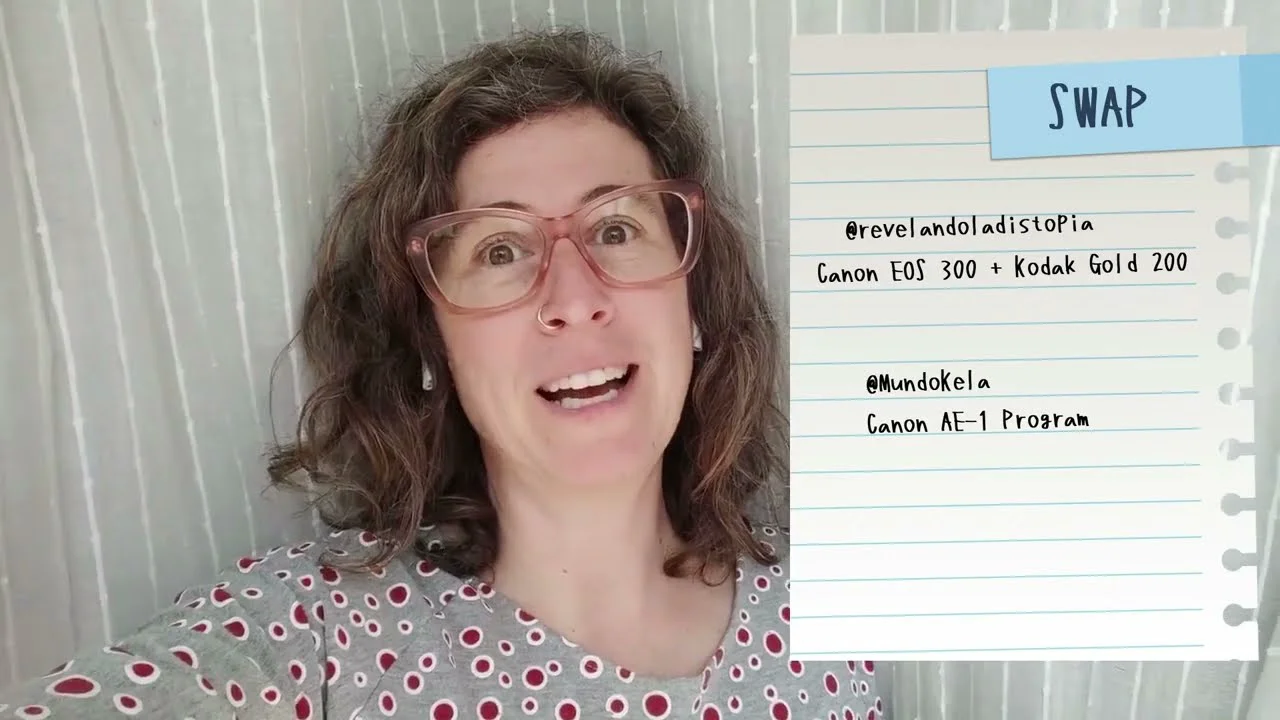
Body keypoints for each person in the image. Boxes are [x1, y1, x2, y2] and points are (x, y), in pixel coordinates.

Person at [0, 28, 883, 720]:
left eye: (617, 229)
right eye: (501, 249)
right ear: (431, 342)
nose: (574, 298)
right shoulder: (314, 634)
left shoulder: (831, 631)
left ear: (692, 303)